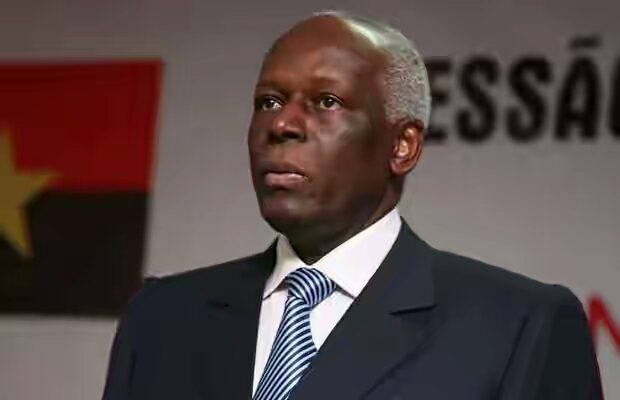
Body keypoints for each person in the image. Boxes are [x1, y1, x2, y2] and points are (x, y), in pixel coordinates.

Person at [103, 11, 603, 400]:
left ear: (402, 146)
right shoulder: (161, 318)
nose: (282, 125)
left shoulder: (518, 327)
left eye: (327, 102)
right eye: (269, 102)